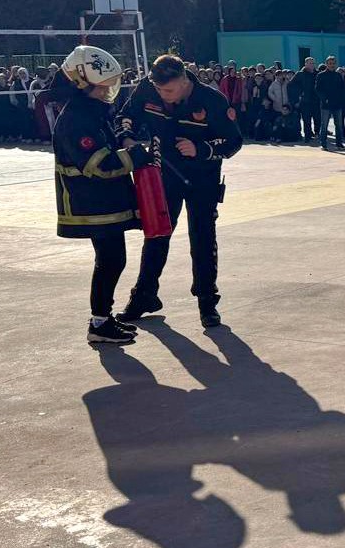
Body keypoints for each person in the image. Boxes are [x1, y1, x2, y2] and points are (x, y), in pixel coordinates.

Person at [116, 54, 244, 329]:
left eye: (170, 90)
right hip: (162, 175)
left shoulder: (211, 100)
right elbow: (126, 115)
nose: (164, 96)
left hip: (202, 179)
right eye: (160, 90)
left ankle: (207, 301)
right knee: (156, 234)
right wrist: (127, 139)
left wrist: (202, 149)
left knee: (203, 238)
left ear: (184, 80)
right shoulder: (147, 89)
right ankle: (144, 295)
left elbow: (233, 141)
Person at [49, 46, 156, 345]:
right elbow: (100, 164)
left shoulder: (91, 111)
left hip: (103, 200)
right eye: (102, 87)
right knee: (110, 260)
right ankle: (99, 323)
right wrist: (137, 156)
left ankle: (103, 320)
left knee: (112, 259)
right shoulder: (76, 119)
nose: (108, 92)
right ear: (81, 84)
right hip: (91, 202)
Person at [314, 56, 345, 150]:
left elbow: (343, 89)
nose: (332, 65)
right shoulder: (321, 75)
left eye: (333, 63)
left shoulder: (338, 75)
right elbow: (317, 89)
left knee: (339, 125)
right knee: (324, 125)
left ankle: (339, 144)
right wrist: (325, 99)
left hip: (337, 104)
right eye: (330, 63)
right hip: (326, 104)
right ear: (326, 64)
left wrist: (342, 99)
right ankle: (323, 144)